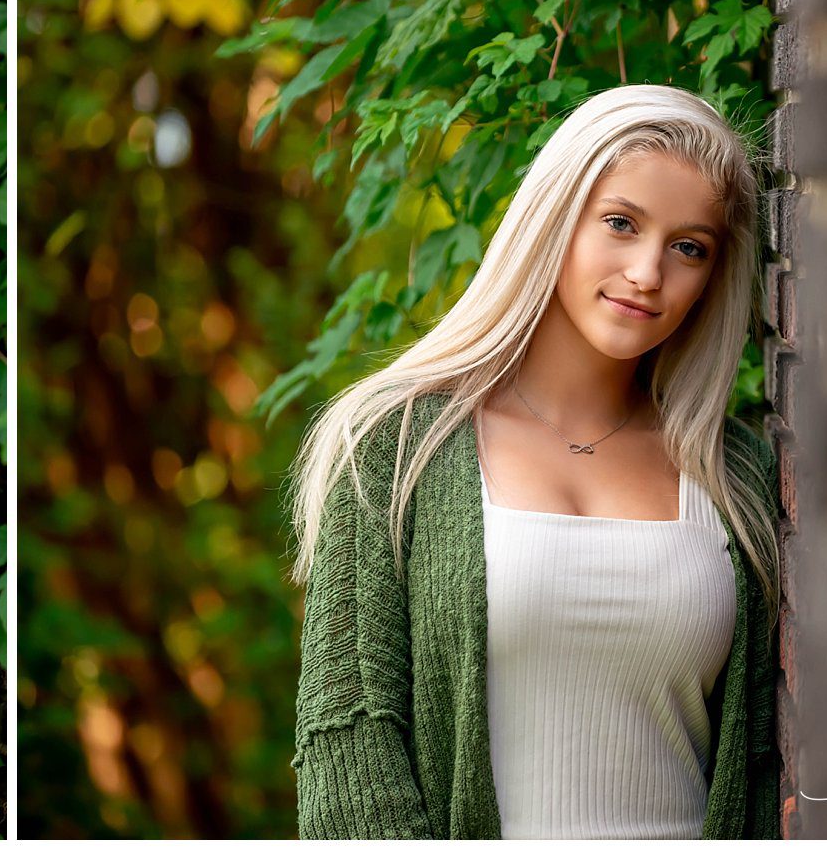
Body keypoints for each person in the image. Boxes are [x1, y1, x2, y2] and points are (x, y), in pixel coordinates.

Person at [290, 87, 781, 839]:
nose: (649, 271)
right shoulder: (395, 449)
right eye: (621, 224)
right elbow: (350, 751)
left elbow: (757, 766)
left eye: (689, 247)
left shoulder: (733, 474)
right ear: (555, 218)